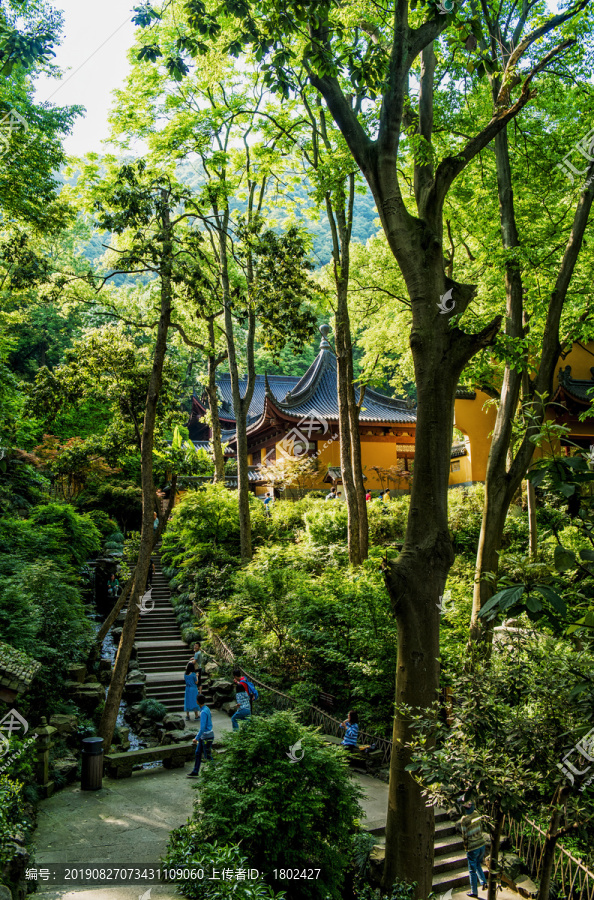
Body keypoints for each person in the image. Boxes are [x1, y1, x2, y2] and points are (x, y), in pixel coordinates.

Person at [460, 800, 488, 897]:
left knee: (472, 870)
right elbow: (480, 827)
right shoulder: (476, 814)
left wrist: (466, 848)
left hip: (473, 847)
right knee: (477, 864)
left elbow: (464, 836)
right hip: (481, 844)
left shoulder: (464, 820)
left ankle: (474, 891)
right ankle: (483, 881)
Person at [186, 694, 214, 777]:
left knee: (207, 755)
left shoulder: (203, 712)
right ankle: (195, 771)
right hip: (206, 736)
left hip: (206, 736)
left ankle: (214, 772)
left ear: (197, 701)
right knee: (198, 753)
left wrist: (196, 738)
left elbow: (202, 728)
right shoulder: (206, 709)